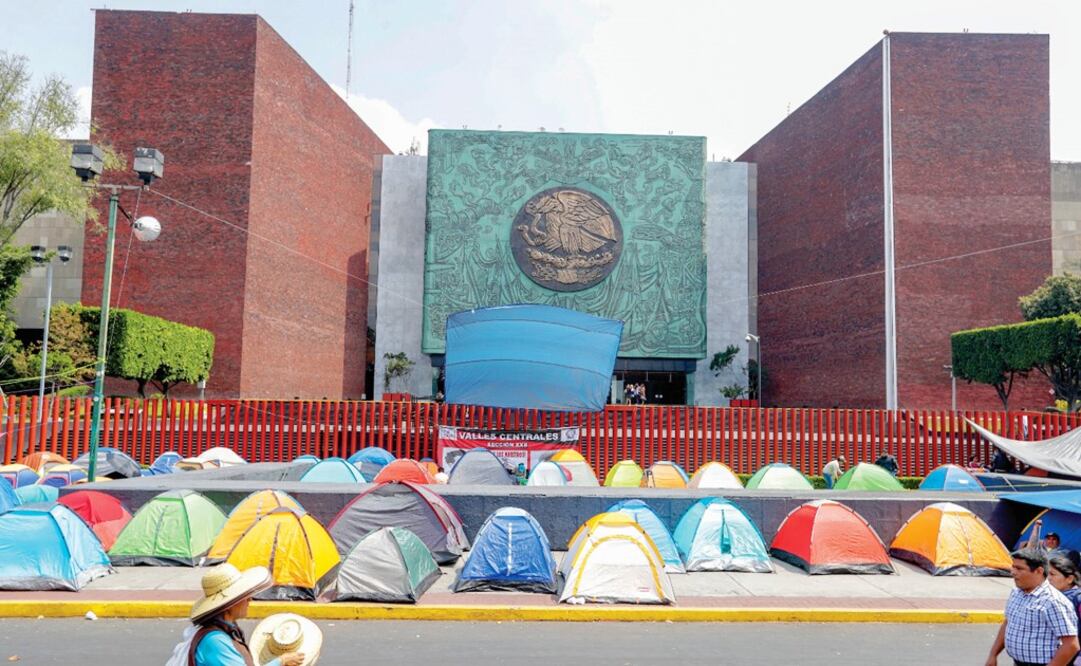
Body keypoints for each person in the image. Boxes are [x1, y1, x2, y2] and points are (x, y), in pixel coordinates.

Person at [188, 564, 306, 666]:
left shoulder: (226, 630)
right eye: (243, 596)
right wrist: (281, 661)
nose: (249, 599)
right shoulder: (215, 641)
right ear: (229, 605)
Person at [985, 548, 1079, 666]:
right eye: (1013, 567)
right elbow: (1008, 623)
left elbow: (1071, 645)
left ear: (1039, 571)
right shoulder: (1016, 593)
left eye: (1019, 568)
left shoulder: (1053, 601)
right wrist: (993, 655)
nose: (1013, 572)